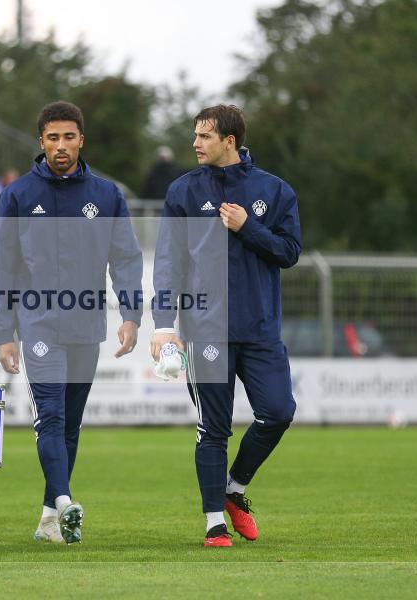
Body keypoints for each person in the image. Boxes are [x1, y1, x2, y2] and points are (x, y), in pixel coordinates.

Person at [0, 101, 143, 545]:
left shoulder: (107, 195)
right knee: (50, 418)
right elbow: (0, 270)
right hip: (37, 327)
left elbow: (126, 260)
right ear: (41, 142)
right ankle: (65, 502)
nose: (60, 146)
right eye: (52, 138)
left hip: (86, 328)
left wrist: (131, 315)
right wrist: (4, 334)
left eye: (68, 137)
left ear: (81, 141)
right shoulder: (17, 195)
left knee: (70, 426)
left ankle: (49, 520)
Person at [150, 104, 301, 547]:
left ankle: (235, 489)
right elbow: (168, 262)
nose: (196, 143)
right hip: (204, 329)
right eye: (195, 135)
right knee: (213, 428)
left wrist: (246, 226)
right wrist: (163, 324)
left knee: (278, 412)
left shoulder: (274, 191)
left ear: (229, 141)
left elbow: (290, 252)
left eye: (205, 136)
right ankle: (214, 521)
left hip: (259, 329)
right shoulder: (182, 191)